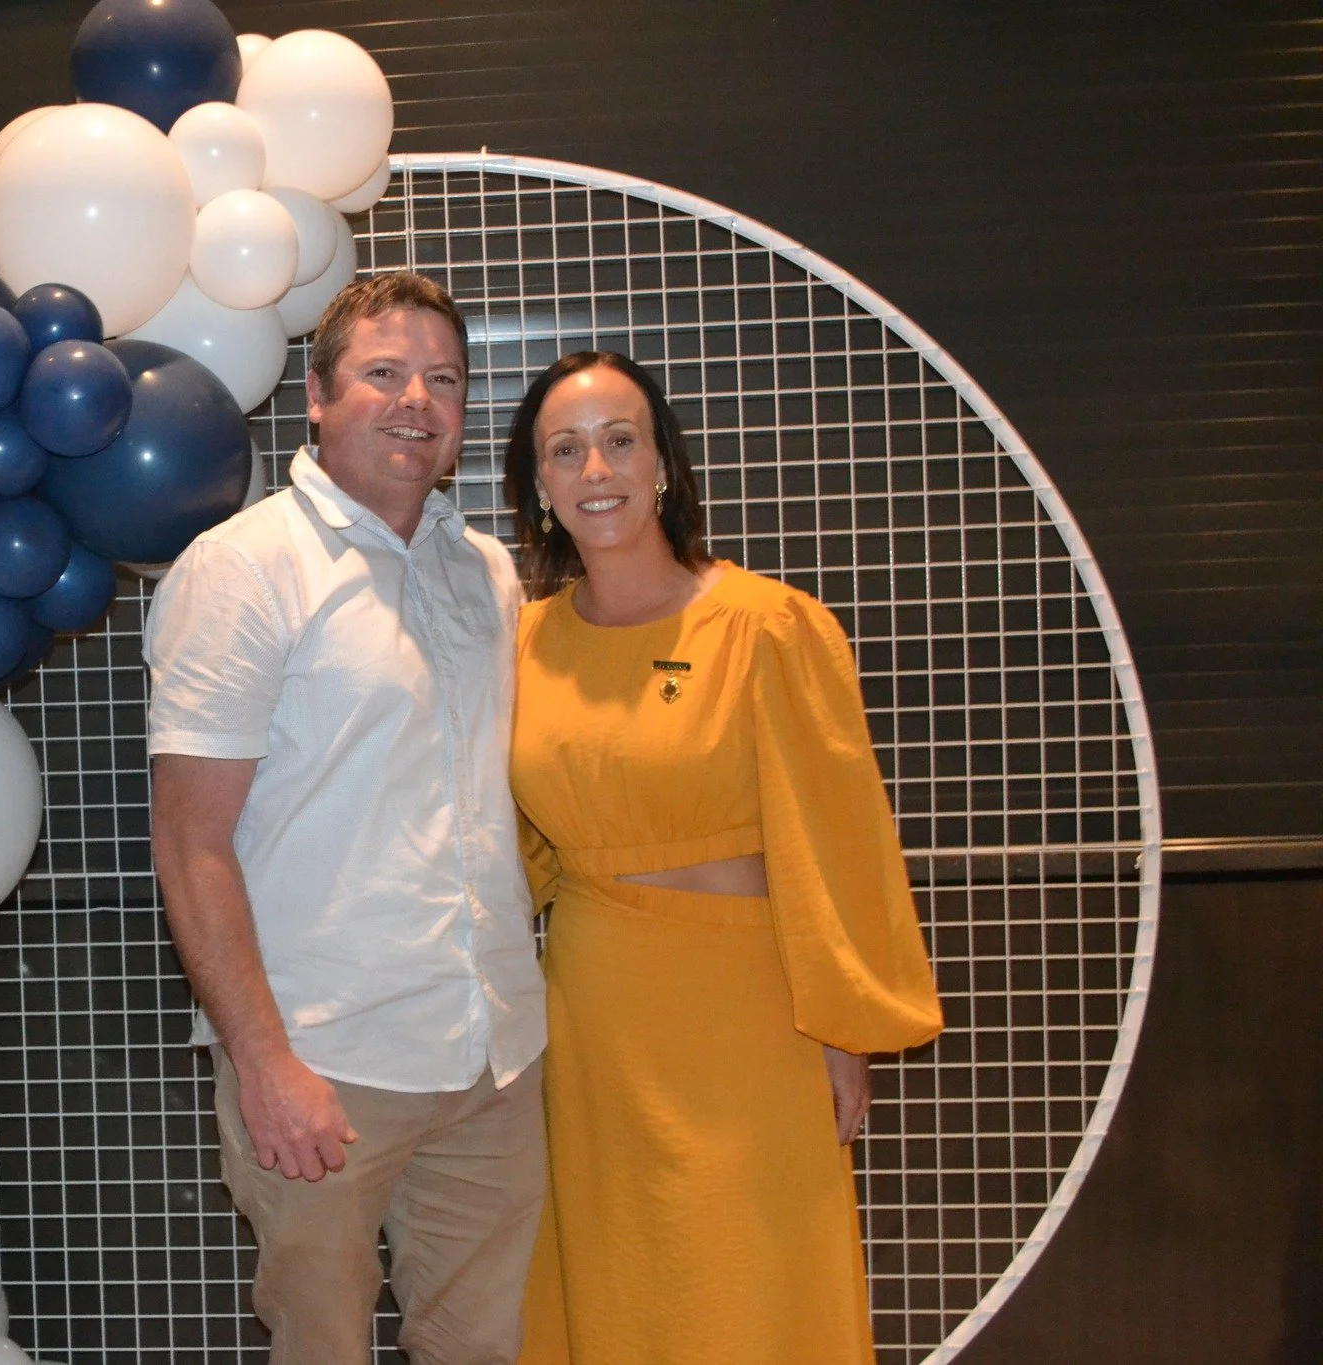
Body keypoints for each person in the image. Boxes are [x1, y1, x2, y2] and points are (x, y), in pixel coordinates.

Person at [505, 351, 944, 1364]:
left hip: (751, 1021)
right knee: (618, 1289)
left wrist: (842, 1032)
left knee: (753, 1293)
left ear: (662, 463)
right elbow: (506, 847)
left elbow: (836, 833)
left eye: (620, 440)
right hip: (591, 1026)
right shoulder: (519, 647)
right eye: (564, 450)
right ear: (538, 487)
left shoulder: (767, 625)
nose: (595, 469)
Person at [144, 272, 547, 1365]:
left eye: (443, 379)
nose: (416, 399)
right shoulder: (243, 569)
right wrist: (263, 1062)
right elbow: (190, 843)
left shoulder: (487, 573)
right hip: (323, 1062)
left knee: (481, 1349)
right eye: (383, 373)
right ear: (317, 398)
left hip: (492, 1059)